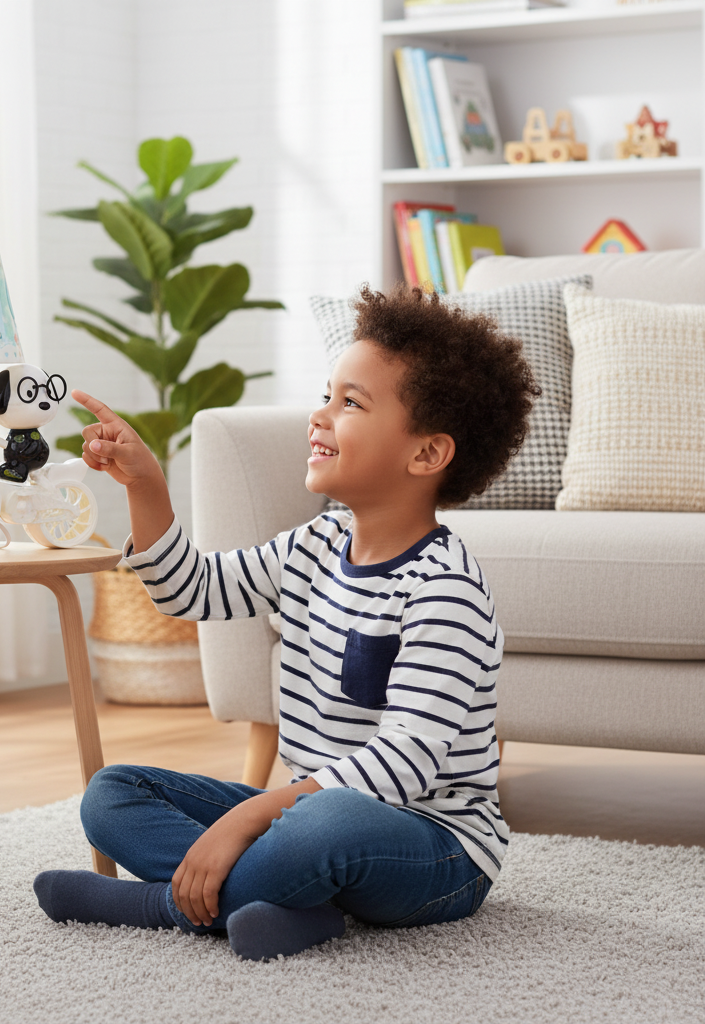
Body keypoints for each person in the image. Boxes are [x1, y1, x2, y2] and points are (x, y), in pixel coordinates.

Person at [34, 284, 540, 961]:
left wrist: (248, 817)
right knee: (113, 792)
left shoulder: (445, 590)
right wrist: (146, 485)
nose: (319, 416)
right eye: (326, 394)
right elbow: (193, 590)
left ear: (425, 455)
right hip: (304, 814)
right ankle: (288, 907)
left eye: (350, 403)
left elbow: (404, 766)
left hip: (435, 849)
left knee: (322, 825)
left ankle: (160, 905)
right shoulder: (315, 544)